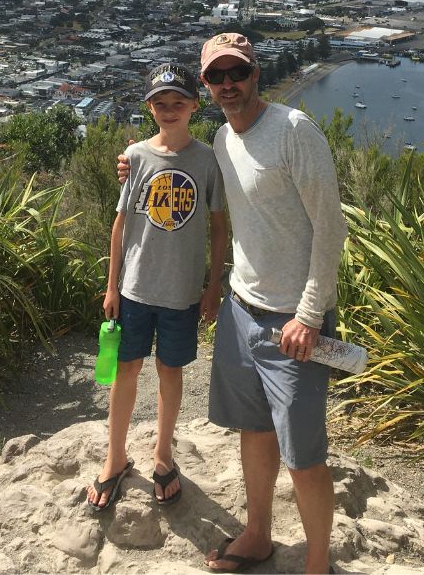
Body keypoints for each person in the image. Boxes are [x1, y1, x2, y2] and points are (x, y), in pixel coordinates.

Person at [118, 34, 347, 574]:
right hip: (242, 311)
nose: (228, 85)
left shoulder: (294, 131)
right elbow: (179, 166)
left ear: (255, 74)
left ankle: (318, 563)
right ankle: (259, 534)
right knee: (254, 430)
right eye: (216, 77)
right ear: (206, 86)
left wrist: (310, 314)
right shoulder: (221, 139)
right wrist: (130, 165)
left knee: (305, 454)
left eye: (236, 74)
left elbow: (330, 229)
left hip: (294, 319)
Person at [87, 62, 228, 512]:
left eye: (178, 103)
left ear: (194, 106)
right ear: (150, 108)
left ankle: (163, 454)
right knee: (125, 372)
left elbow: (219, 227)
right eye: (161, 103)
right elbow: (119, 226)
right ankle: (115, 457)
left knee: (172, 373)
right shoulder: (137, 156)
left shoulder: (207, 160)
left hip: (183, 293)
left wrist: (213, 285)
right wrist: (111, 287)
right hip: (134, 288)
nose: (170, 110)